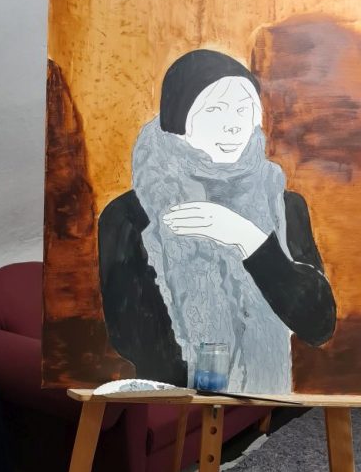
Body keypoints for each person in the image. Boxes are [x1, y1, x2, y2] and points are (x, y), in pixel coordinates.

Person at [98, 49, 336, 394]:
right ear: (178, 119)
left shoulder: (285, 206)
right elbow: (131, 337)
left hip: (266, 406)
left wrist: (249, 240)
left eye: (243, 109)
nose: (233, 124)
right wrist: (210, 389)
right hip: (176, 407)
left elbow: (318, 325)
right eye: (214, 110)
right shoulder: (129, 215)